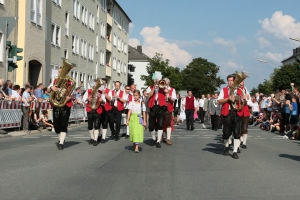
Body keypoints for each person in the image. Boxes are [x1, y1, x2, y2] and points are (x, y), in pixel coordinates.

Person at [217, 73, 245, 159]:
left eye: (231, 81)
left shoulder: (240, 90)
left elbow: (245, 102)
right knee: (226, 133)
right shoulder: (224, 90)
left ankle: (235, 151)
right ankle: (227, 145)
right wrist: (228, 99)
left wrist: (239, 98)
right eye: (228, 81)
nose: (230, 82)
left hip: (237, 112)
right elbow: (218, 101)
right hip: (227, 112)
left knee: (237, 133)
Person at [48, 66, 75, 150]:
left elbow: (74, 94)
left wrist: (69, 97)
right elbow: (48, 90)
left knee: (64, 123)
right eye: (59, 72)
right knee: (56, 125)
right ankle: (61, 139)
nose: (60, 73)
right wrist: (51, 88)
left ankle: (61, 142)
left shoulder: (70, 82)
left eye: (62, 72)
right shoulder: (55, 81)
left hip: (66, 105)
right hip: (56, 104)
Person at [83, 79, 105, 146]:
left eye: (97, 84)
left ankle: (95, 139)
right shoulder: (88, 91)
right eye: (95, 84)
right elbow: (84, 100)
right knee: (90, 126)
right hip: (90, 109)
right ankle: (92, 138)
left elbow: (104, 102)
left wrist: (101, 100)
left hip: (97, 110)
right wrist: (87, 99)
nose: (95, 86)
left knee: (96, 125)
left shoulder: (101, 92)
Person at [147, 78, 167, 148]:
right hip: (152, 108)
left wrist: (161, 85)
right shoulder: (150, 87)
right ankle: (153, 138)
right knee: (151, 126)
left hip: (161, 108)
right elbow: (149, 95)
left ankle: (158, 141)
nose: (157, 82)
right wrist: (153, 88)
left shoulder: (162, 87)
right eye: (156, 80)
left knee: (160, 124)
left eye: (158, 80)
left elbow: (166, 91)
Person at [237, 81, 253, 149]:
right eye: (240, 82)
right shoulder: (235, 90)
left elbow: (250, 103)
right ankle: (240, 140)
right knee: (239, 127)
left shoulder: (246, 90)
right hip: (238, 111)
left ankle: (244, 143)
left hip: (245, 111)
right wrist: (242, 97)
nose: (241, 84)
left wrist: (248, 98)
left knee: (245, 128)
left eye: (242, 82)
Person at [162, 78, 176, 145]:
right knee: (161, 123)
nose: (166, 83)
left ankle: (168, 138)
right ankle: (161, 136)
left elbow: (173, 100)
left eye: (167, 82)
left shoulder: (172, 89)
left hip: (168, 107)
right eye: (165, 82)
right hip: (161, 107)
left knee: (168, 123)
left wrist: (169, 96)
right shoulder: (161, 89)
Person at [99, 78, 112, 143]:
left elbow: (110, 99)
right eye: (101, 83)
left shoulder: (108, 90)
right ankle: (98, 136)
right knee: (98, 122)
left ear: (106, 84)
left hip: (105, 108)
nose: (102, 84)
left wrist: (105, 93)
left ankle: (103, 137)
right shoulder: (98, 90)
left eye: (103, 83)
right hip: (98, 107)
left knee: (104, 122)